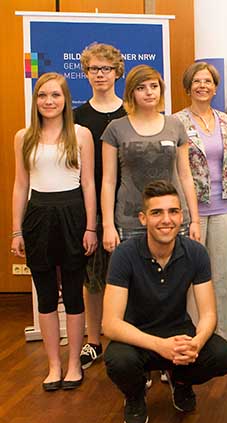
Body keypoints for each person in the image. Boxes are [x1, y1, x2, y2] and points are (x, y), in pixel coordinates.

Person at [102, 180, 227, 423]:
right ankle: (135, 395)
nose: (166, 219)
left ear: (181, 216)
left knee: (223, 354)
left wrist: (196, 342)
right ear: (143, 218)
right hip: (137, 340)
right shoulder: (125, 255)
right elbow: (110, 324)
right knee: (118, 360)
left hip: (178, 336)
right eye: (157, 212)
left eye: (173, 211)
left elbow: (208, 315)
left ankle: (181, 382)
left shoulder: (196, 253)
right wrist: (159, 345)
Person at [11, 72, 97, 391]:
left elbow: (88, 183)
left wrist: (90, 226)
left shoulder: (81, 134)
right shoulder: (24, 137)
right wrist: (16, 231)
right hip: (38, 217)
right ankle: (54, 364)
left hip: (74, 215)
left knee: (74, 293)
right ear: (35, 101)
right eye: (43, 96)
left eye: (55, 95)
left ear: (65, 100)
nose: (49, 101)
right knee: (46, 294)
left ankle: (74, 362)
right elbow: (21, 185)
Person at [174, 62, 227, 342]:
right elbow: (176, 171)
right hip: (193, 211)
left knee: (224, 276)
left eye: (208, 81)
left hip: (225, 206)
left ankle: (225, 336)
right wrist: (187, 215)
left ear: (216, 87)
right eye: (197, 81)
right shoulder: (176, 122)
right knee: (191, 277)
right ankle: (193, 334)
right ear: (188, 87)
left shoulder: (226, 121)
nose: (202, 86)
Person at [101, 65, 201, 252]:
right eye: (141, 88)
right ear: (131, 92)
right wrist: (108, 226)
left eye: (154, 86)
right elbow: (108, 181)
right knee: (133, 279)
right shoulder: (115, 128)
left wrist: (195, 220)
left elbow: (186, 176)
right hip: (131, 220)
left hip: (173, 219)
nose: (149, 92)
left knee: (176, 277)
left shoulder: (175, 125)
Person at [74, 42, 128, 370]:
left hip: (130, 205)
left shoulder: (130, 112)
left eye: (106, 69)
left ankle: (128, 337)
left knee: (130, 277)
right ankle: (93, 341)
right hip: (90, 206)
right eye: (94, 69)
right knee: (92, 280)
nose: (100, 75)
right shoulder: (76, 116)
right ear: (86, 73)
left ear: (117, 72)